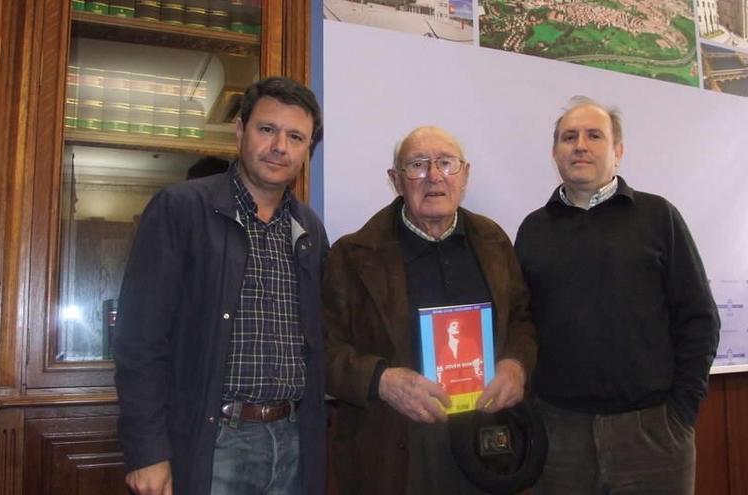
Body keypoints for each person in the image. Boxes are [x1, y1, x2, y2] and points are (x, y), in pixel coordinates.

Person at [113, 77, 328, 495]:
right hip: (215, 440)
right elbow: (138, 341)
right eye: (267, 129)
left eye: (296, 136)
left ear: (307, 151)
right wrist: (147, 451)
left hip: (293, 440)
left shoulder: (310, 229)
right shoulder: (180, 209)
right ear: (240, 131)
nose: (280, 146)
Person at [514, 96, 720, 494]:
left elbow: (699, 319)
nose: (580, 145)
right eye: (568, 137)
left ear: (618, 152)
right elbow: (520, 322)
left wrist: (680, 414)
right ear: (555, 152)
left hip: (651, 434)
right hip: (558, 435)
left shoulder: (659, 217)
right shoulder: (532, 230)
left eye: (595, 135)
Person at [323, 126, 537, 494]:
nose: (434, 176)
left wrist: (516, 365)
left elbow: (522, 319)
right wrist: (382, 381)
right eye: (418, 165)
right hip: (395, 451)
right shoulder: (352, 255)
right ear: (396, 180)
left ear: (465, 175)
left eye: (446, 163)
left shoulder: (494, 241)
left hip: (484, 444)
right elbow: (321, 350)